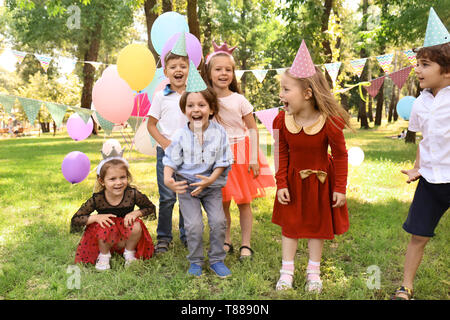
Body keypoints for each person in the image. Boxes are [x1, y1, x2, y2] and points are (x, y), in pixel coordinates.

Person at [272, 40, 351, 292]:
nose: (281, 95)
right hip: (293, 181)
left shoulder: (330, 121)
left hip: (321, 181)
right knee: (291, 225)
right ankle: (287, 271)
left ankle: (313, 272)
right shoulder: (282, 119)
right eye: (281, 89)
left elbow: (340, 155)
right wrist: (281, 182)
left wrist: (340, 187)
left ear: (307, 94)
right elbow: (281, 152)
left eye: (286, 90)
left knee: (318, 226)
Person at [202, 41, 275, 261]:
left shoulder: (239, 100)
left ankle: (246, 243)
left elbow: (252, 129)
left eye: (228, 69)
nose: (224, 73)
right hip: (217, 156)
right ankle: (226, 240)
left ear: (234, 74)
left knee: (244, 202)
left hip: (241, 155)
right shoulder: (206, 99)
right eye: (218, 69)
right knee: (222, 202)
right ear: (209, 72)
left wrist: (253, 158)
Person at [391, 42, 450, 300]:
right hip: (430, 180)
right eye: (417, 64)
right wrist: (417, 168)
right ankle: (406, 287)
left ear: (447, 71)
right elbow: (424, 140)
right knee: (418, 235)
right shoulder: (419, 104)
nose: (418, 70)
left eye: (425, 65)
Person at [163, 78, 233, 277]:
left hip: (211, 186)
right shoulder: (179, 135)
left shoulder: (219, 133)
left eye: (201, 105)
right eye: (190, 105)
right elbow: (170, 160)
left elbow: (223, 161)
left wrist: (210, 180)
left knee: (219, 221)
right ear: (184, 110)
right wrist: (169, 179)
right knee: (193, 225)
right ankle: (195, 261)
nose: (196, 109)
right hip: (187, 186)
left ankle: (217, 260)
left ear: (211, 109)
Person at [71, 146, 156, 271]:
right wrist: (96, 217)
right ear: (102, 181)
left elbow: (150, 208)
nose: (118, 182)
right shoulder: (98, 198)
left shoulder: (132, 194)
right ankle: (104, 255)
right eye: (112, 179)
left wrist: (135, 213)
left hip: (126, 233)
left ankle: (129, 253)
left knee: (137, 224)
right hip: (106, 235)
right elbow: (76, 219)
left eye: (122, 177)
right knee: (103, 226)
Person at [147, 50, 189, 253]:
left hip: (189, 154)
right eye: (173, 67)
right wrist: (165, 143)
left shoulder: (194, 95)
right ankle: (164, 237)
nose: (178, 70)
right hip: (166, 153)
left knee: (186, 195)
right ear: (166, 71)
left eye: (182, 66)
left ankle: (187, 233)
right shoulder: (160, 96)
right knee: (167, 197)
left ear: (190, 69)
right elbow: (151, 125)